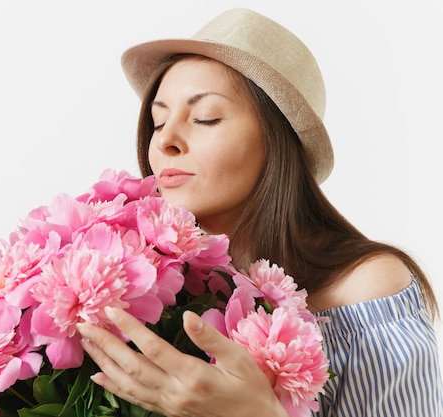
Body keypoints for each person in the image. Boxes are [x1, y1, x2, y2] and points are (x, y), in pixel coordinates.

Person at [74, 7, 442, 417]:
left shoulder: (363, 291)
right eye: (158, 123)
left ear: (276, 141)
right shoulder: (146, 287)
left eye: (205, 118)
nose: (166, 143)